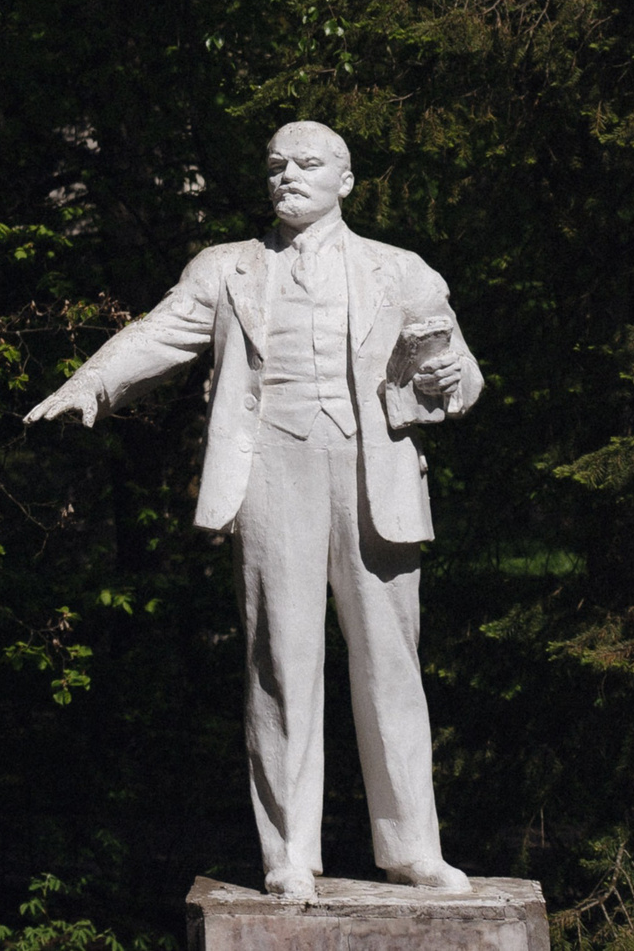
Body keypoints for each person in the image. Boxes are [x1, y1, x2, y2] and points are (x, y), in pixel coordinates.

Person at [25, 121, 479, 896]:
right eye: (276, 165)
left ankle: (411, 846)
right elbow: (159, 333)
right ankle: (289, 852)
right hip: (271, 469)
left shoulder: (400, 271)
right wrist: (90, 383)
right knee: (280, 662)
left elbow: (464, 378)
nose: (287, 176)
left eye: (307, 163)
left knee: (391, 665)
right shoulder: (225, 268)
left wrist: (443, 382)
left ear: (346, 180)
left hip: (376, 476)